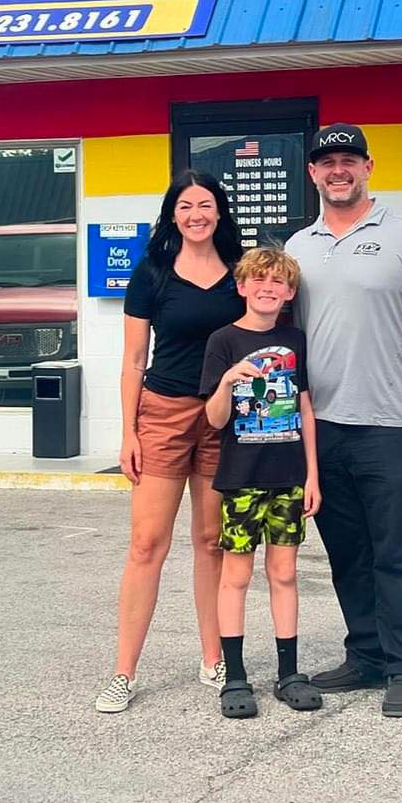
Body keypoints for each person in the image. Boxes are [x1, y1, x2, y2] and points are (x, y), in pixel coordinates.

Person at [284, 123, 402, 718]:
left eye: (349, 160)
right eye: (327, 162)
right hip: (322, 428)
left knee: (397, 551)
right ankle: (367, 654)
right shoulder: (298, 247)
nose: (338, 170)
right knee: (347, 552)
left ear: (369, 167)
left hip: (391, 425)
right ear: (312, 172)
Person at [95, 170, 245, 714]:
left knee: (211, 541)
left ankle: (214, 657)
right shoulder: (153, 273)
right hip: (162, 415)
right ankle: (123, 672)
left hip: (223, 415)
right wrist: (128, 431)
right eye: (185, 206)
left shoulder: (240, 273)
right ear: (172, 214)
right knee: (146, 544)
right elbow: (134, 360)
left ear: (220, 212)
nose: (196, 215)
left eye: (205, 205)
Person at [200, 247, 322, 719]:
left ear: (289, 292)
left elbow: (306, 409)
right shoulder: (223, 341)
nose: (268, 288)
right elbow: (213, 420)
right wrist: (228, 381)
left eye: (279, 282)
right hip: (242, 479)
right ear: (243, 286)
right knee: (236, 575)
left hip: (289, 475)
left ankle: (288, 672)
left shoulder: (296, 340)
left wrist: (313, 474)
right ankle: (234, 676)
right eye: (260, 280)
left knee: (285, 573)